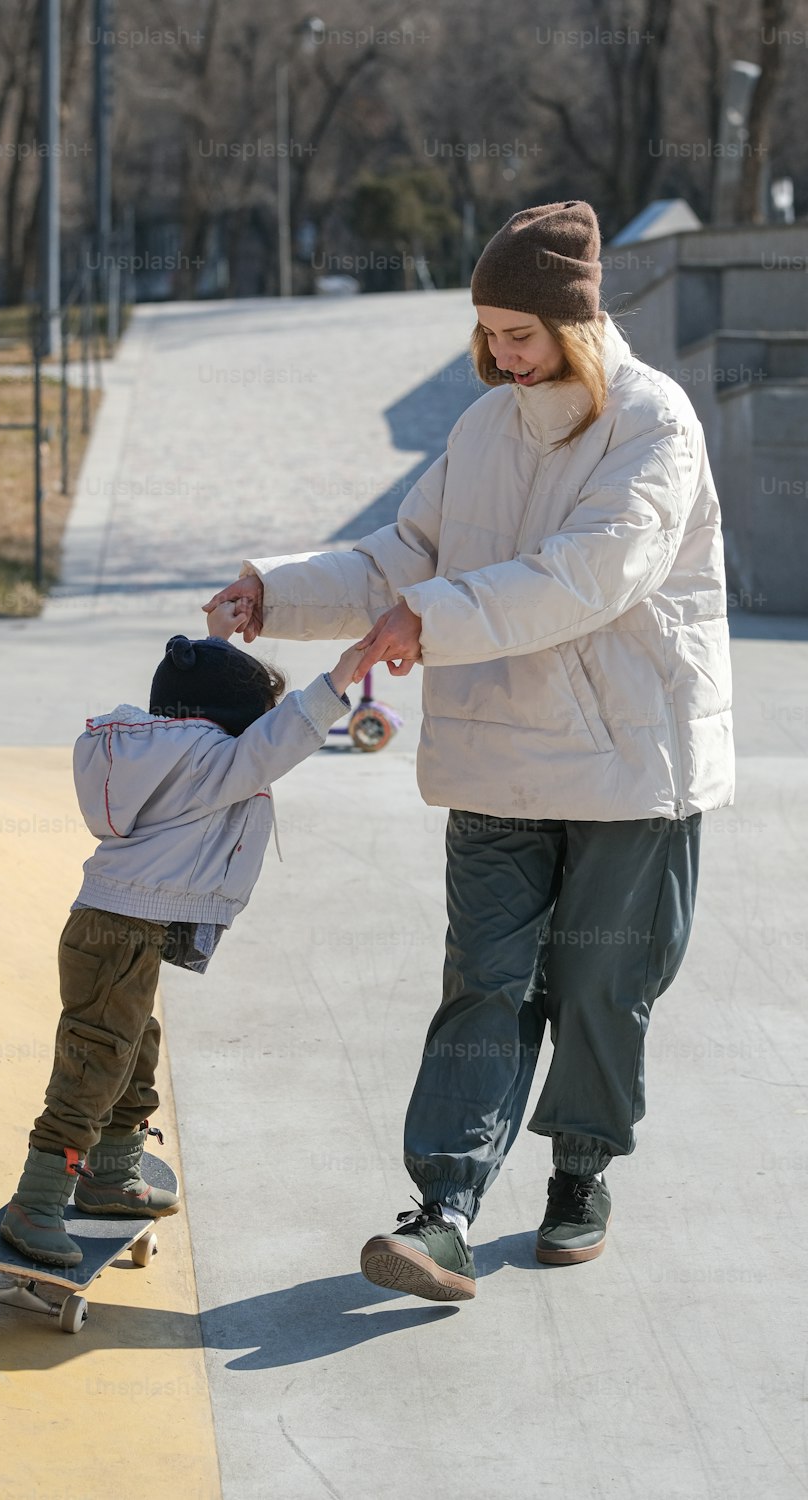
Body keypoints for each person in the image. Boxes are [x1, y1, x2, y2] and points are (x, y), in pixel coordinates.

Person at [204, 200, 735, 1302]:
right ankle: (442, 1211)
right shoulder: (483, 429)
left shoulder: (654, 425)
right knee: (482, 985)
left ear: (577, 325)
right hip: (497, 750)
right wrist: (279, 590)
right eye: (487, 331)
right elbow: (405, 552)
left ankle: (579, 1171)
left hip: (629, 762)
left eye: (520, 333)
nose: (499, 354)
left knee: (599, 985)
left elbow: (593, 574)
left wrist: (430, 619)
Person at [1, 603, 359, 1266]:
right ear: (223, 724)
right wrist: (347, 670)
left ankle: (111, 1174)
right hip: (120, 930)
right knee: (96, 1058)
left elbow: (196, 696)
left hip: (108, 926)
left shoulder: (154, 750)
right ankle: (38, 1200)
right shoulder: (214, 764)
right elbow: (284, 736)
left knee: (131, 1044)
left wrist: (215, 646)